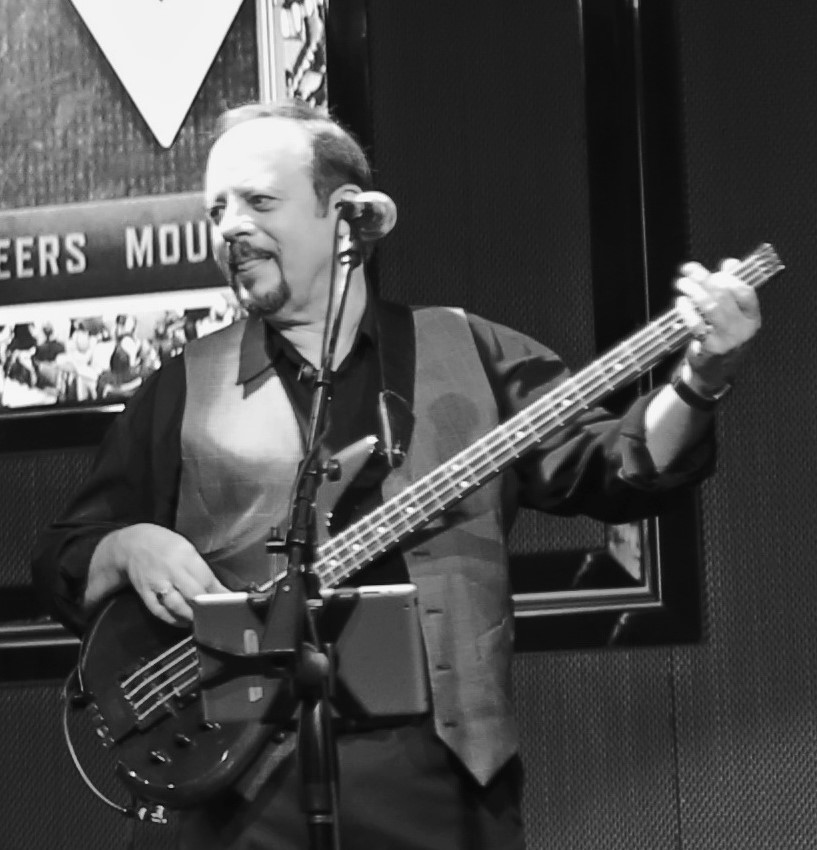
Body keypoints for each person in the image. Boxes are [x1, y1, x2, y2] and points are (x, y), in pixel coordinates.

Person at [31, 99, 761, 850]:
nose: (230, 227)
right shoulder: (187, 384)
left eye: (259, 201)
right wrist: (127, 548)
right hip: (239, 806)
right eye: (218, 209)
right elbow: (64, 555)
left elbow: (619, 464)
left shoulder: (468, 350)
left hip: (436, 797)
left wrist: (700, 381)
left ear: (345, 219)